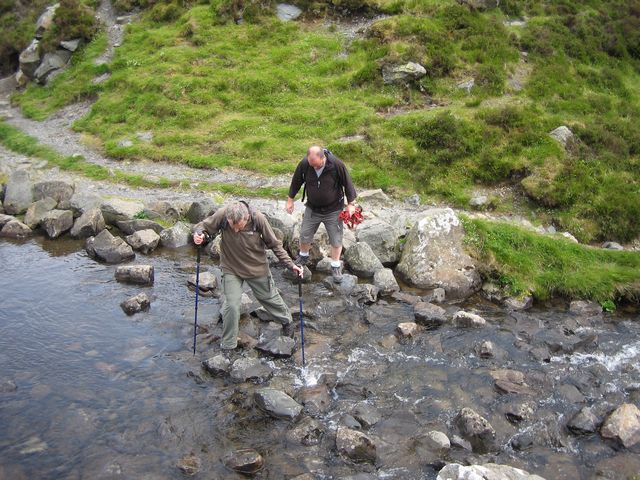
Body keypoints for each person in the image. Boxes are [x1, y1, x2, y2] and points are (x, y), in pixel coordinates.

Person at [193, 201, 303, 351]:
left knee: (269, 298)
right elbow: (202, 227)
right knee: (231, 305)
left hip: (256, 268)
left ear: (246, 218)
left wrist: (291, 265)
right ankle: (228, 345)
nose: (236, 230)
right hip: (231, 267)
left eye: (239, 227)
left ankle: (287, 322)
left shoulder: (258, 219)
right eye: (232, 226)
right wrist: (198, 235)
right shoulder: (223, 215)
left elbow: (275, 245)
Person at [285, 145, 357, 283]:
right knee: (305, 234)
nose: (314, 168)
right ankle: (303, 256)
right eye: (312, 165)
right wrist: (290, 200)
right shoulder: (306, 164)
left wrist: (350, 204)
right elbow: (296, 181)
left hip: (333, 209)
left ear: (322, 157)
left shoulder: (336, 164)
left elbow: (348, 184)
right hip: (313, 208)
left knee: (336, 238)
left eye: (317, 165)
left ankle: (335, 266)